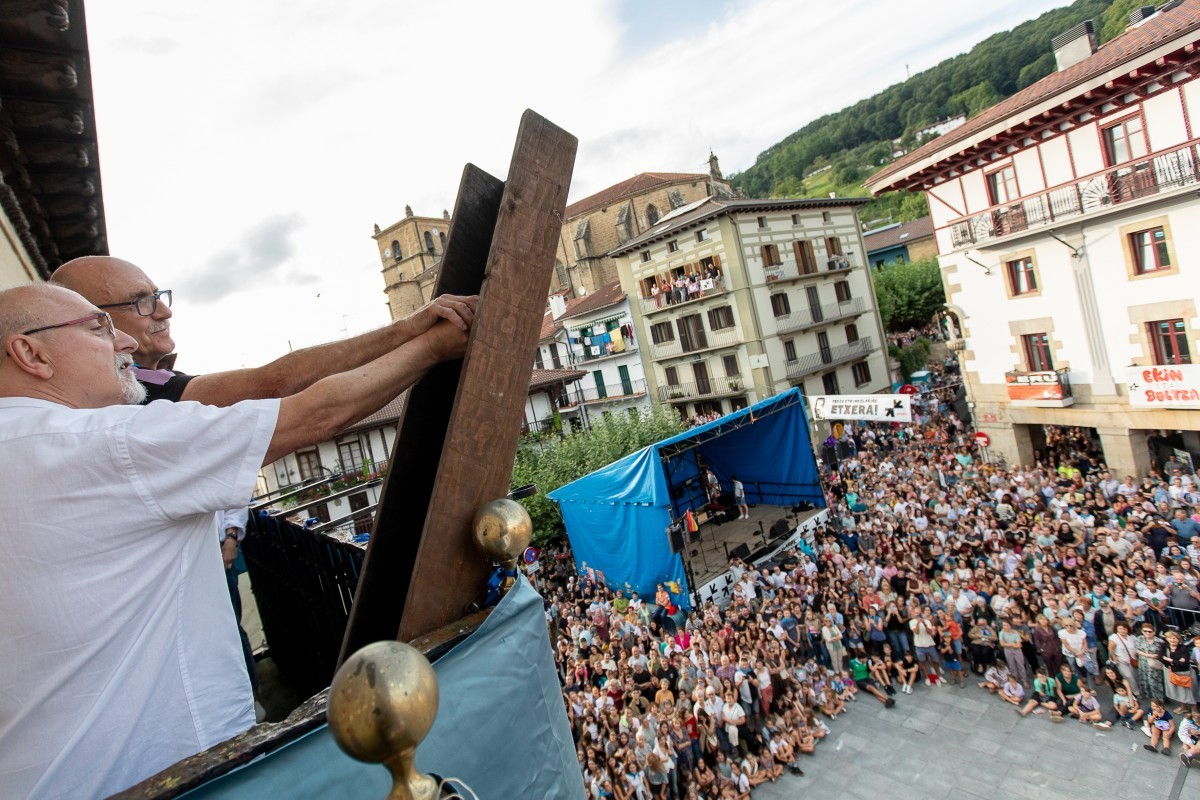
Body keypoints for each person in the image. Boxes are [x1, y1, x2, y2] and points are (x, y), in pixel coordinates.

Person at [0, 283, 473, 798]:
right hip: (165, 774)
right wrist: (434, 346)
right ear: (30, 351)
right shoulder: (107, 442)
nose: (126, 344)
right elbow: (312, 413)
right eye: (98, 328)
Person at [51, 256, 475, 406]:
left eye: (160, 295)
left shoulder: (149, 383)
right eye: (141, 301)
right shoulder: (125, 399)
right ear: (94, 321)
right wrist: (423, 341)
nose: (164, 311)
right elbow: (275, 385)